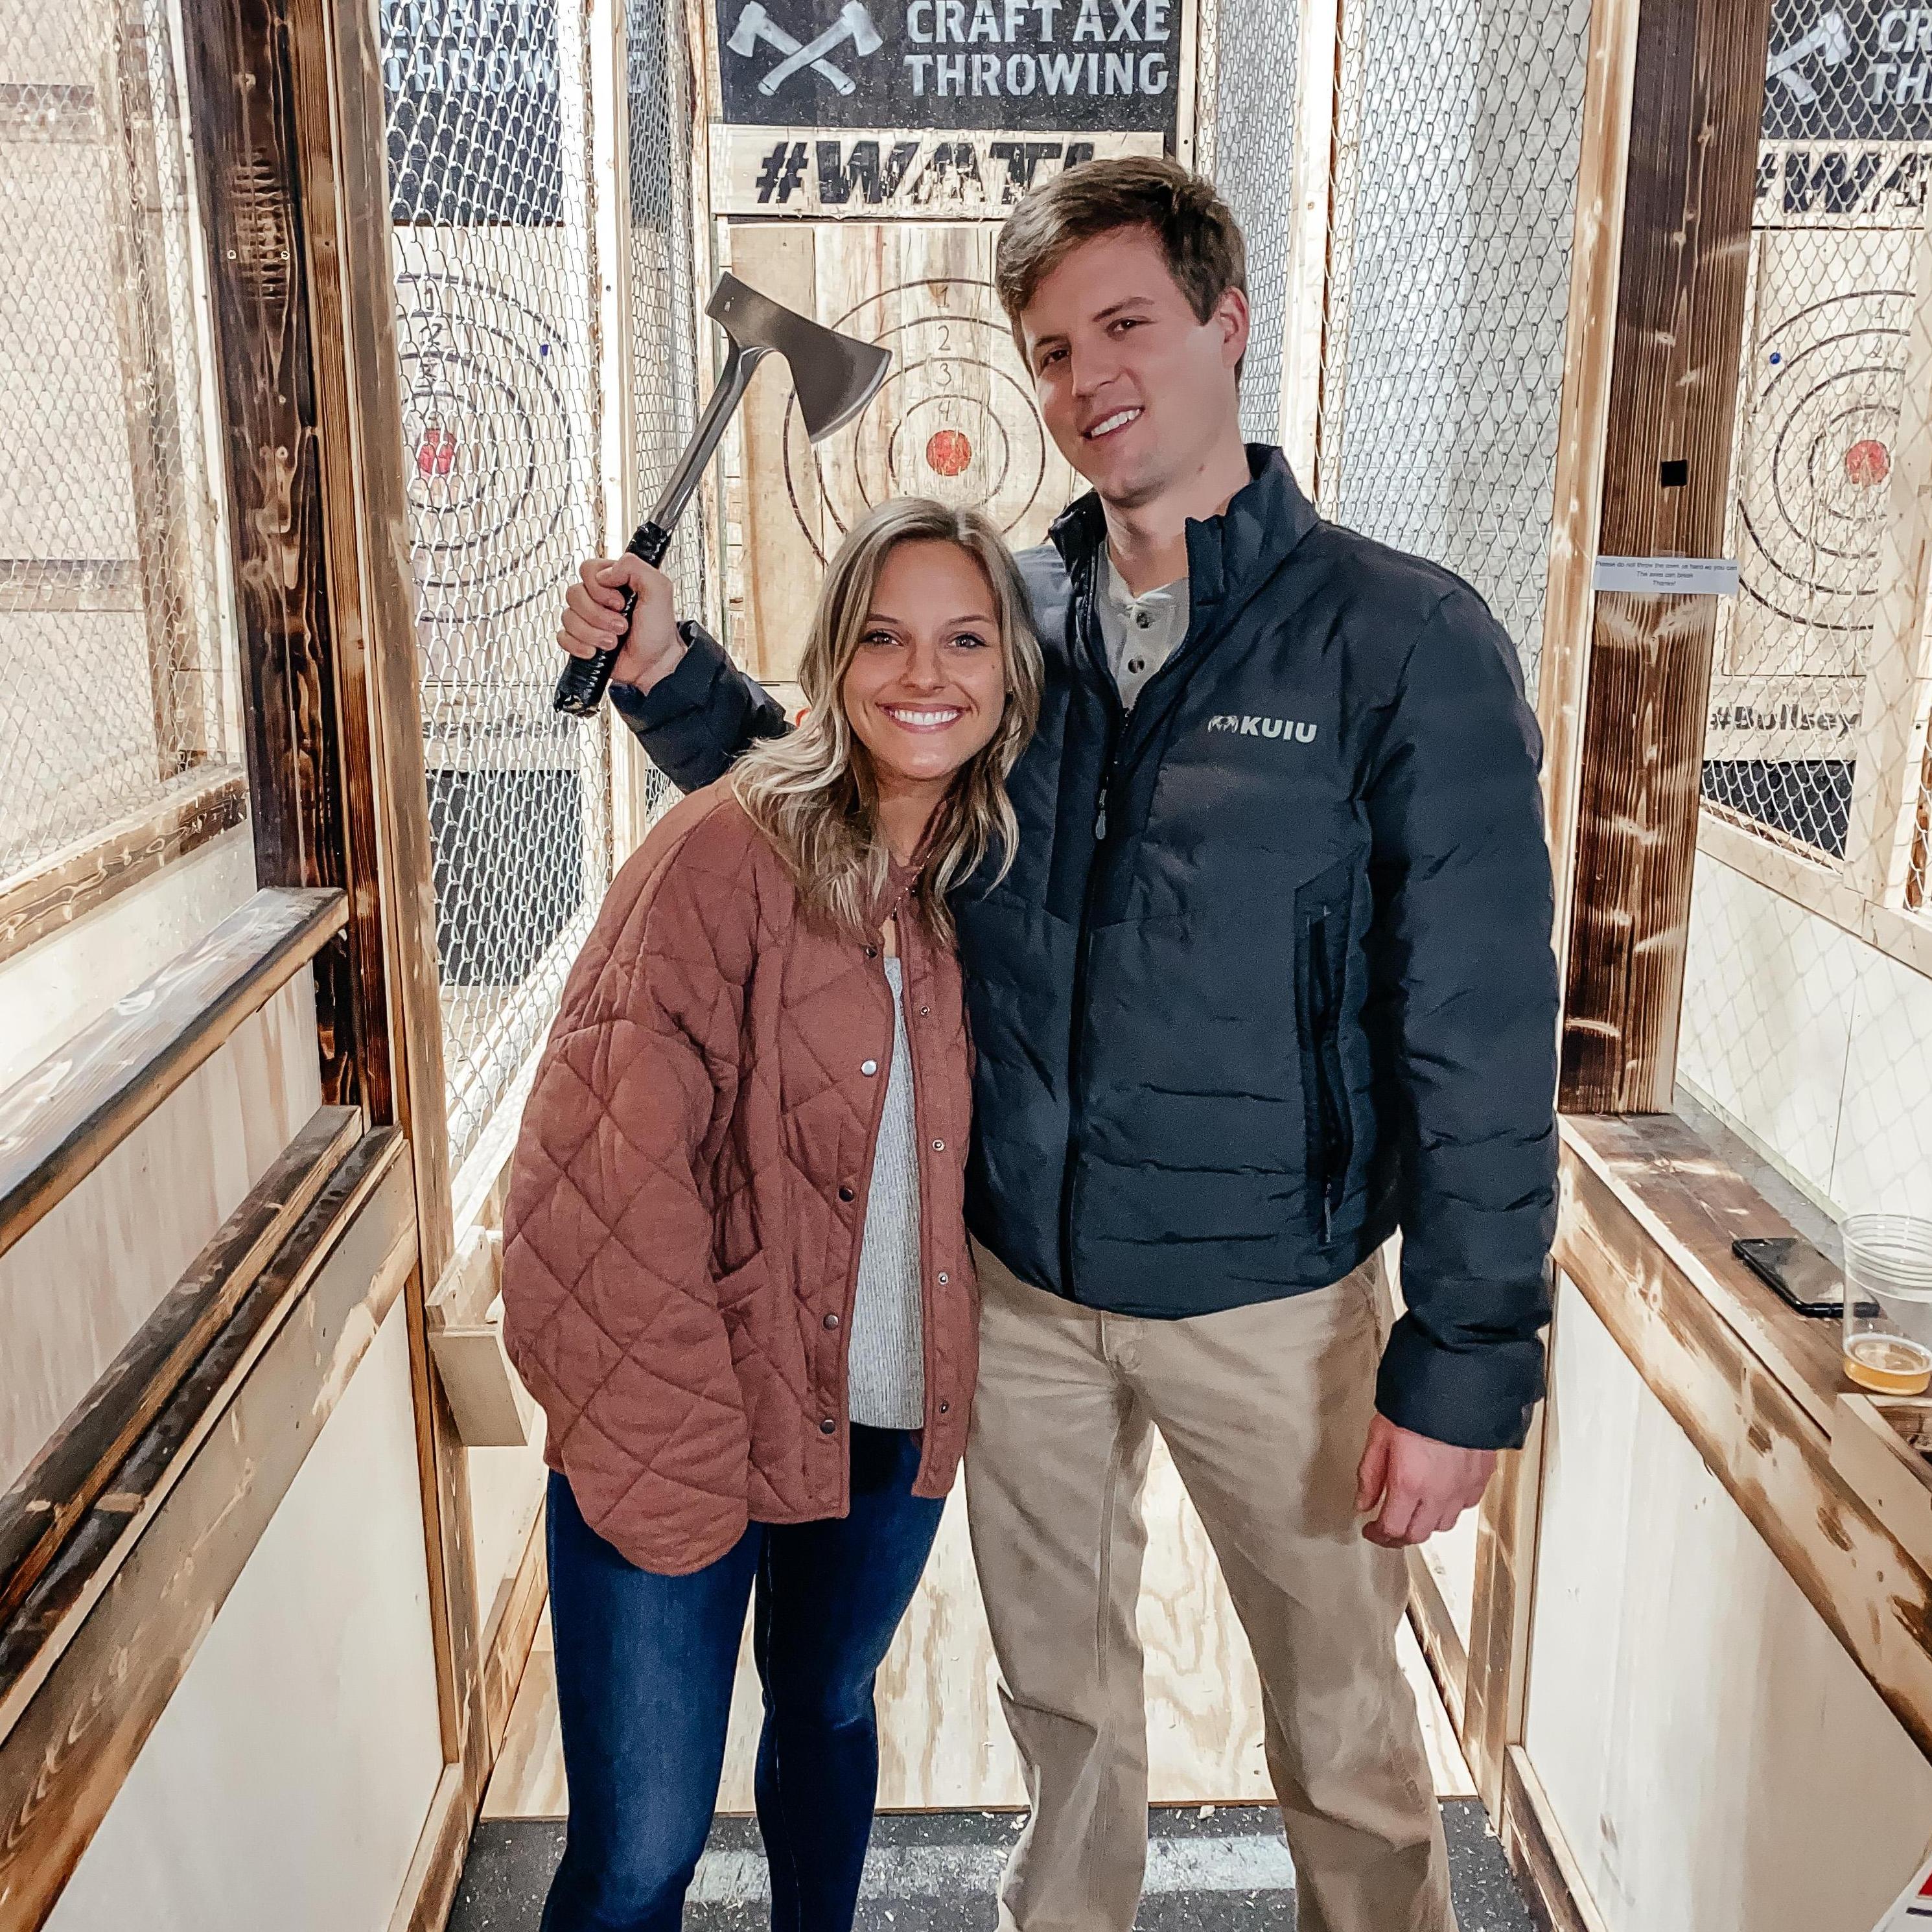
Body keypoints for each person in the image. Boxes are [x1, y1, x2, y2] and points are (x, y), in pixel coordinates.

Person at [559, 159, 1559, 1932]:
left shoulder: (1398, 638)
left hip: (1277, 1305)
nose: (1090, 376)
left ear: (1223, 324)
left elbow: (1478, 1030)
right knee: (1065, 1710)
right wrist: (670, 677)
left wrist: (1462, 1355)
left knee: (1338, 1730)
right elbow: (858, 783)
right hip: (1012, 1289)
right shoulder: (1010, 618)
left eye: (1123, 325)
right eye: (1048, 348)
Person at [502, 496, 1043, 1932]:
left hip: (883, 1421)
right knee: (640, 1855)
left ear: (1012, 675)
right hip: (682, 1420)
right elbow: (593, 1191)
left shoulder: (994, 877)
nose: (925, 676)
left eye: (965, 641)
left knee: (825, 1702)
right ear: (831, 663)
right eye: (884, 638)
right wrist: (671, 1469)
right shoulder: (719, 858)